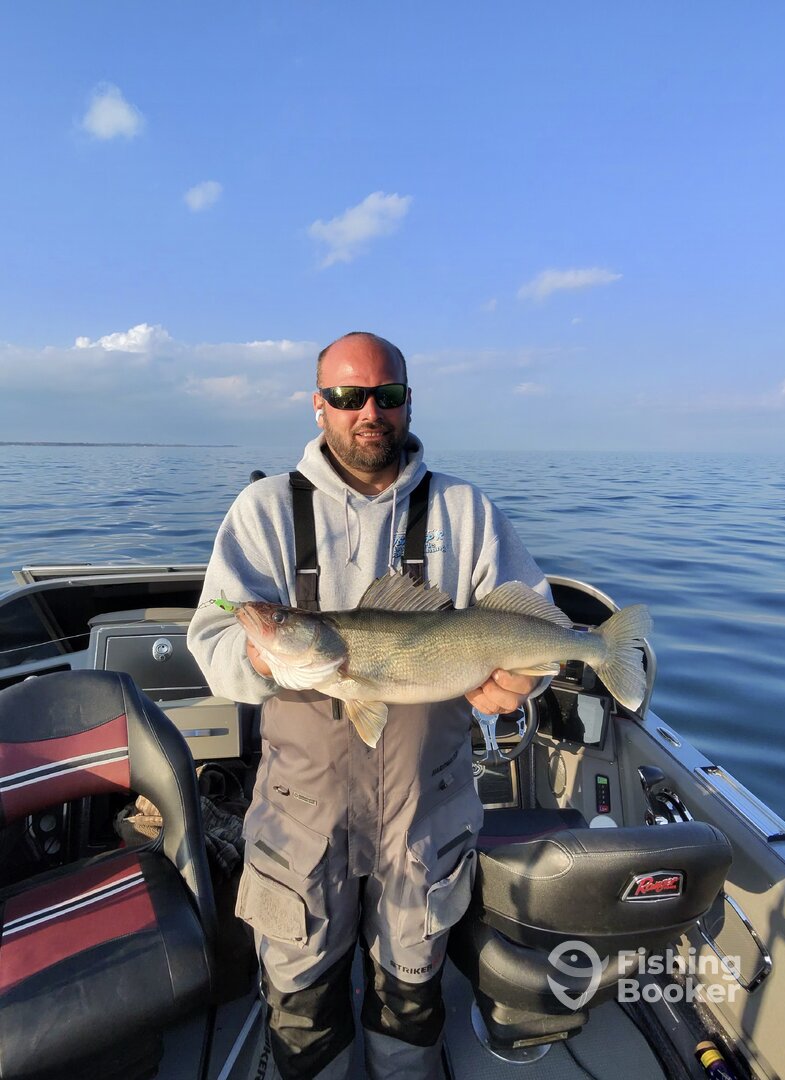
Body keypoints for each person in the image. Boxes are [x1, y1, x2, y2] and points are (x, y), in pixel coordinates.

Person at [187, 332, 551, 1080]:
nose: (369, 412)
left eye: (386, 396)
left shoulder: (465, 509)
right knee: (301, 1001)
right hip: (301, 823)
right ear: (318, 405)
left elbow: (530, 629)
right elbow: (214, 641)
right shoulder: (262, 509)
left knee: (411, 997)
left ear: (408, 403)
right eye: (349, 396)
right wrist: (261, 653)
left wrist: (524, 685)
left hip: (427, 817)